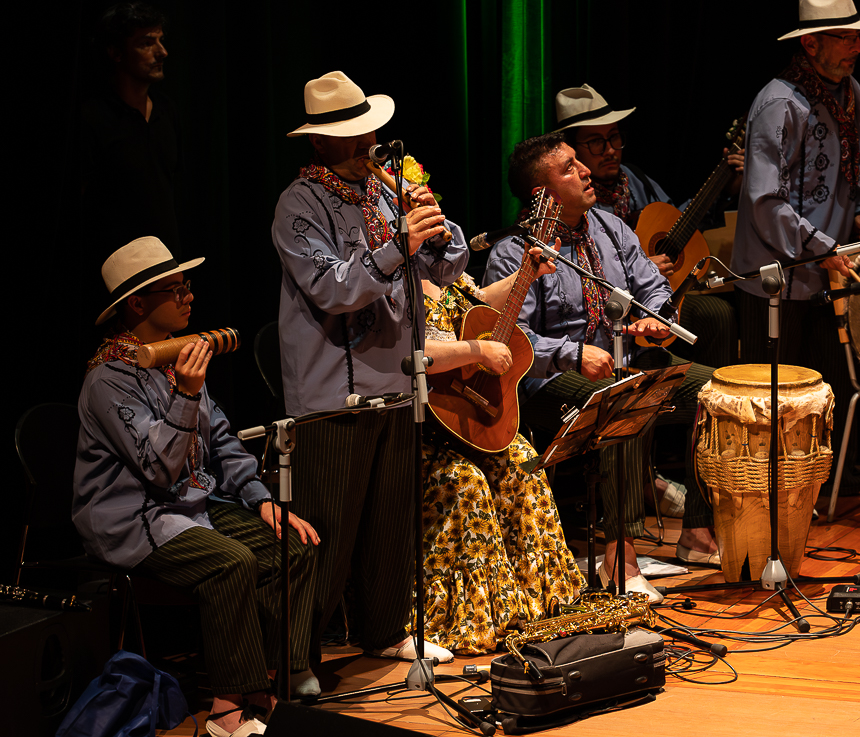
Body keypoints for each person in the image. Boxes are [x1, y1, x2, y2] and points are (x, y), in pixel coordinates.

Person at [74, 237, 320, 737]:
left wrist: (261, 500)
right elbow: (159, 471)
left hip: (191, 505)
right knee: (232, 564)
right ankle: (226, 708)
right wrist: (185, 395)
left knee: (292, 545)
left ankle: (267, 681)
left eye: (188, 287)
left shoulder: (177, 359)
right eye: (176, 289)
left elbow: (222, 440)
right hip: (133, 520)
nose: (189, 297)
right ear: (138, 305)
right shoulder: (107, 380)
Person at [272, 71, 468, 664]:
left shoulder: (384, 193)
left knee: (390, 525)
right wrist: (397, 245)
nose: (366, 146)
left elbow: (446, 270)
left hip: (398, 384)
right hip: (334, 396)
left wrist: (434, 224)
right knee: (328, 535)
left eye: (370, 133)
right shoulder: (297, 205)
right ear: (318, 143)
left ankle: (384, 633)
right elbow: (333, 288)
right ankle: (296, 657)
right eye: (352, 138)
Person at [485, 132, 722, 604]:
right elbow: (510, 337)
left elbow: (652, 285)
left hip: (625, 361)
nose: (587, 171)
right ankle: (621, 557)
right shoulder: (513, 254)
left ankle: (697, 532)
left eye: (580, 163)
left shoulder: (611, 227)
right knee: (626, 399)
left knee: (719, 392)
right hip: (550, 380)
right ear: (542, 194)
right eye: (570, 167)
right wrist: (574, 354)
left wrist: (657, 319)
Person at [731, 0, 860, 496]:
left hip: (829, 265)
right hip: (774, 275)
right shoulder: (778, 105)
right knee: (773, 391)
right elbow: (764, 200)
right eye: (846, 39)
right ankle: (767, 493)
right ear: (810, 44)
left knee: (829, 382)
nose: (857, 49)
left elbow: (854, 168)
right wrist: (823, 246)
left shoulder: (851, 93)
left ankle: (830, 478)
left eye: (858, 38)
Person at [419, 269, 584, 653]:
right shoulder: (397, 281)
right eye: (420, 203)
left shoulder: (451, 274)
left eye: (434, 204)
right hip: (423, 429)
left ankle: (536, 602)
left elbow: (484, 301)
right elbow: (411, 353)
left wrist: (528, 271)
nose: (431, 208)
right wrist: (478, 352)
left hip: (467, 419)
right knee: (467, 482)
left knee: (525, 462)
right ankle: (468, 616)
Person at [78, 2, 183, 261]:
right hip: (115, 270)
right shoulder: (93, 118)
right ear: (116, 52)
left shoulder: (166, 111)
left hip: (164, 264)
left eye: (160, 40)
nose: (162, 52)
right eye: (147, 43)